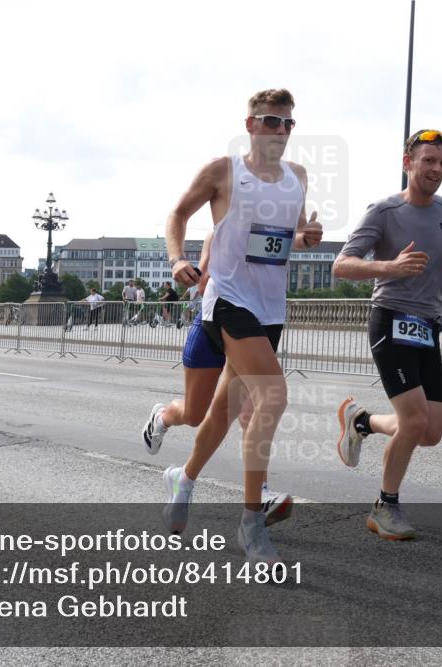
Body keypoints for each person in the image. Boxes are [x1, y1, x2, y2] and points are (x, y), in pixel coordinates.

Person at [163, 88, 323, 564]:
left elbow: (283, 238)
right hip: (228, 300)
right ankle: (252, 525)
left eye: (288, 123)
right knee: (274, 395)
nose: (281, 130)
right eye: (272, 121)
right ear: (251, 125)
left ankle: (184, 478)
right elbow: (177, 213)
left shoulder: (297, 177)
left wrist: (307, 237)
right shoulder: (222, 170)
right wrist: (176, 260)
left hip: (271, 307)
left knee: (224, 410)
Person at [332, 129, 442, 540]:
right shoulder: (383, 212)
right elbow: (342, 265)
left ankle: (361, 421)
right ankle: (385, 508)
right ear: (407, 162)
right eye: (428, 161)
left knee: (430, 432)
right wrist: (389, 267)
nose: (436, 169)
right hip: (391, 319)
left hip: (428, 324)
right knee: (413, 421)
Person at [141, 233, 293, 528]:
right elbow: (203, 279)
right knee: (195, 414)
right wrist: (186, 263)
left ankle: (255, 492)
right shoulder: (225, 225)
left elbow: (290, 240)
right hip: (216, 320)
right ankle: (163, 417)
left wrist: (301, 237)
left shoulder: (275, 218)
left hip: (258, 322)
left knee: (249, 408)